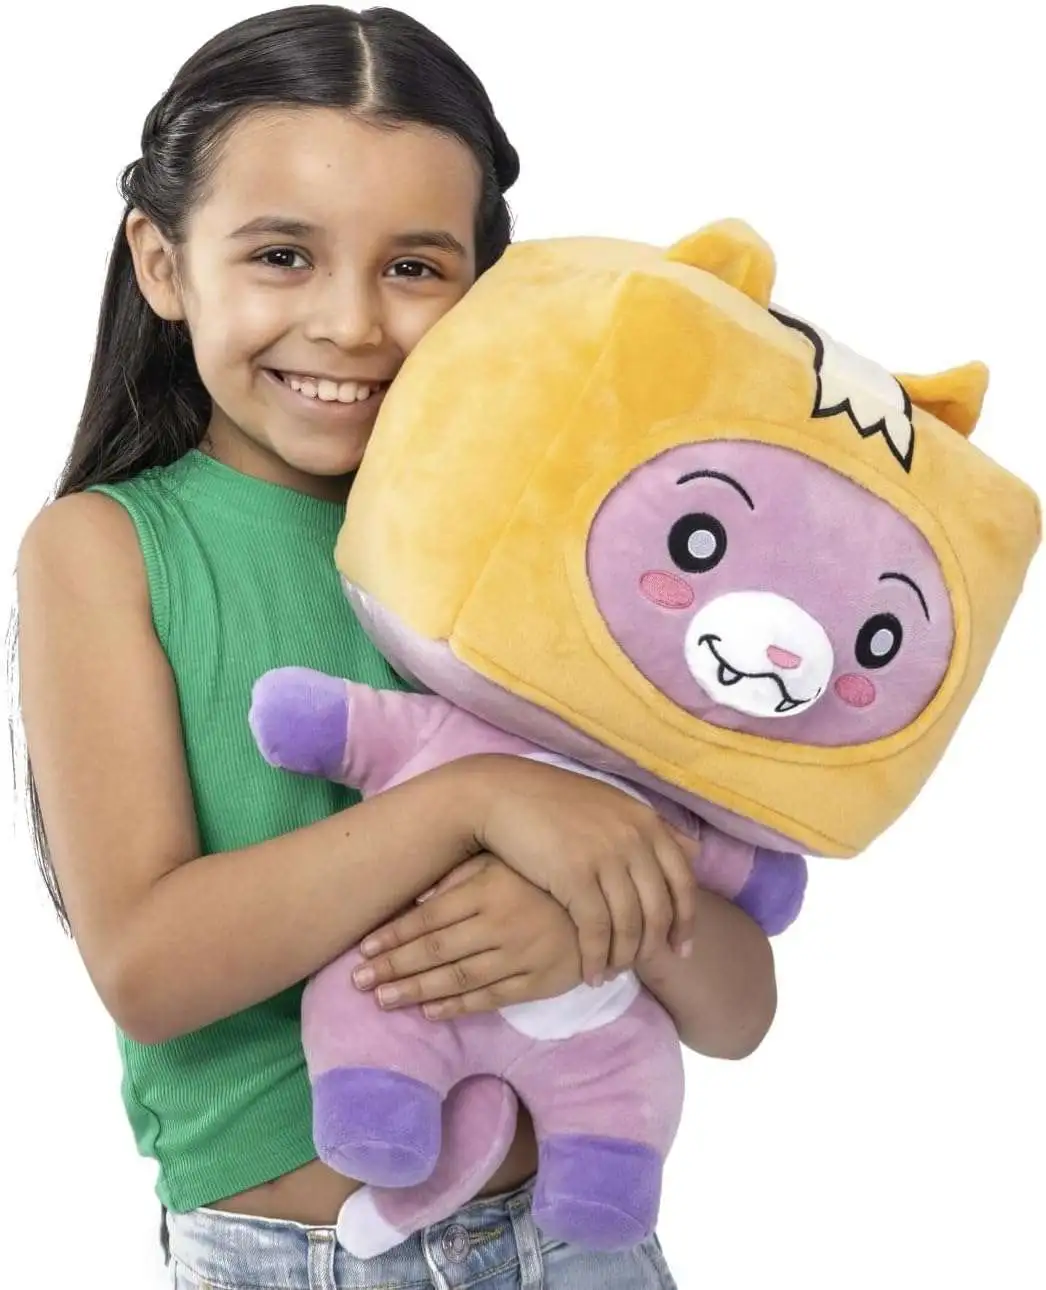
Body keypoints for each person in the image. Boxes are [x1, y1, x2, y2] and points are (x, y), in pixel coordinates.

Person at [14, 6, 778, 1287]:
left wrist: (591, 924)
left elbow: (739, 1008)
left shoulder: (554, 551)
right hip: (293, 1257)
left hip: (575, 1247)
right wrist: (479, 802)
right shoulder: (106, 551)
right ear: (162, 263)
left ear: (488, 290)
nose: (352, 324)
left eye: (415, 268)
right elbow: (146, 969)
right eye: (281, 255)